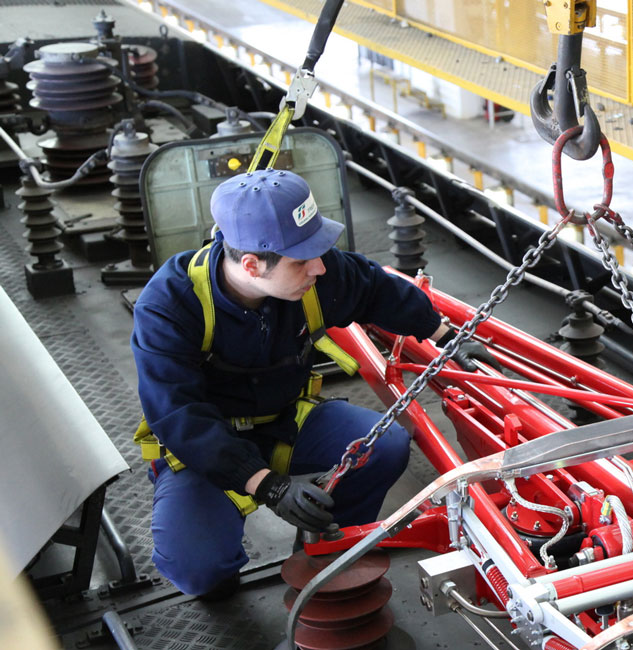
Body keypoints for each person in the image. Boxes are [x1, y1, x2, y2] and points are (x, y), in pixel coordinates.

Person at [131, 170, 495, 597]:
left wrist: (445, 336)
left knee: (386, 444)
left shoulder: (318, 276)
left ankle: (328, 539)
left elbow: (377, 289)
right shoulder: (169, 305)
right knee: (200, 570)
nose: (319, 266)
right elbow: (179, 416)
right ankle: (219, 557)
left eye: (318, 251)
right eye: (301, 259)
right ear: (251, 264)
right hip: (205, 445)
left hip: (285, 421)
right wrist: (270, 486)